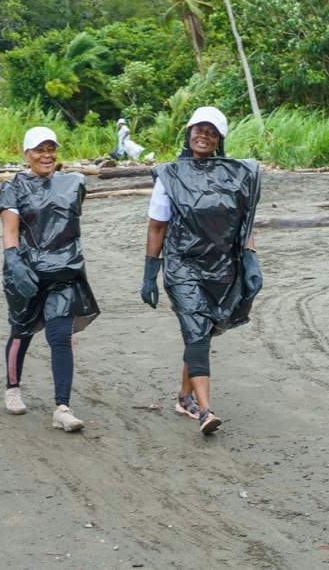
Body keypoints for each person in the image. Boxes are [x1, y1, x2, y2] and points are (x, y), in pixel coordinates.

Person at [140, 106, 262, 436]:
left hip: (221, 263)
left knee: (202, 332)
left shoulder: (238, 174)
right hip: (182, 263)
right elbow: (157, 227)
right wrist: (151, 271)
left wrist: (250, 260)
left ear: (220, 139)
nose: (203, 136)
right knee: (196, 328)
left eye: (211, 132)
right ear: (188, 132)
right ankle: (206, 411)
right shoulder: (170, 175)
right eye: (198, 129)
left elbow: (243, 223)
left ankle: (184, 397)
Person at [0, 127, 99, 432]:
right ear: (26, 154)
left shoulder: (73, 184)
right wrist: (14, 260)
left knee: (60, 335)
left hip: (63, 272)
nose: (46, 155)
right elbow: (11, 229)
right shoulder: (13, 187)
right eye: (39, 150)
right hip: (25, 272)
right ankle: (12, 388)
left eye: (51, 149)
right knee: (21, 331)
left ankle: (62, 406)